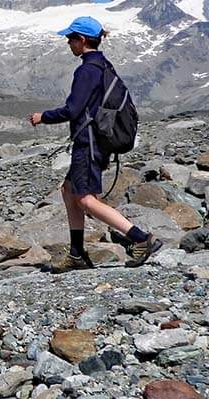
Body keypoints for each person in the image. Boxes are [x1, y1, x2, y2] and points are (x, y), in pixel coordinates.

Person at [29, 16, 161, 272]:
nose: (68, 43)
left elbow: (73, 109)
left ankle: (140, 238)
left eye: (70, 38)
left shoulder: (87, 70)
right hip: (98, 141)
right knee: (69, 190)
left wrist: (42, 117)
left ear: (82, 40)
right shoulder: (103, 66)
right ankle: (77, 254)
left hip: (88, 144)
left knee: (86, 200)